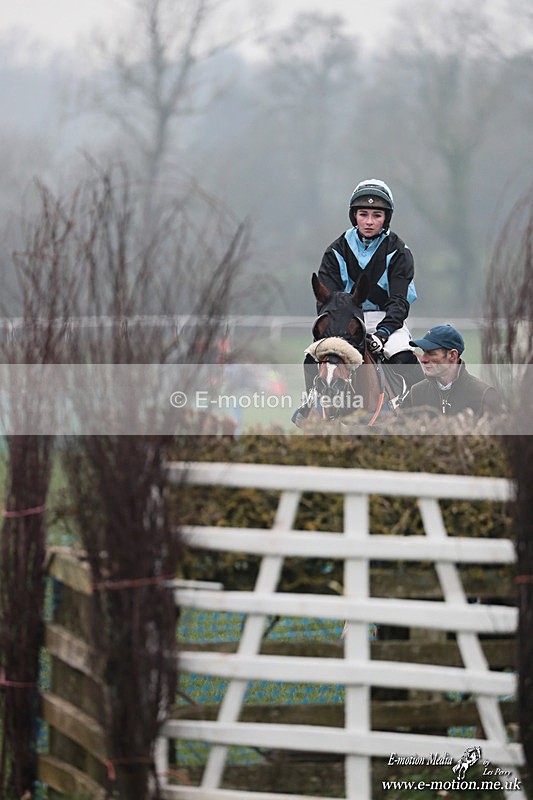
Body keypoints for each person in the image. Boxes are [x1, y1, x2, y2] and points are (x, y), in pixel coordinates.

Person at [293, 179, 421, 425]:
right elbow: (326, 300)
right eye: (363, 214)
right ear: (355, 216)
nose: (370, 221)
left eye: (377, 215)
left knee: (403, 357)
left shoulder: (399, 251)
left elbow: (399, 301)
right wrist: (337, 332)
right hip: (346, 324)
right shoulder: (336, 250)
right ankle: (310, 403)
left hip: (387, 320)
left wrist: (382, 334)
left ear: (386, 218)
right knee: (312, 357)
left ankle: (420, 414)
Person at [404, 324, 503, 416]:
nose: (423, 359)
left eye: (431, 353)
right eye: (423, 352)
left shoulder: (483, 394)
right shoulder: (416, 393)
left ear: (452, 355)